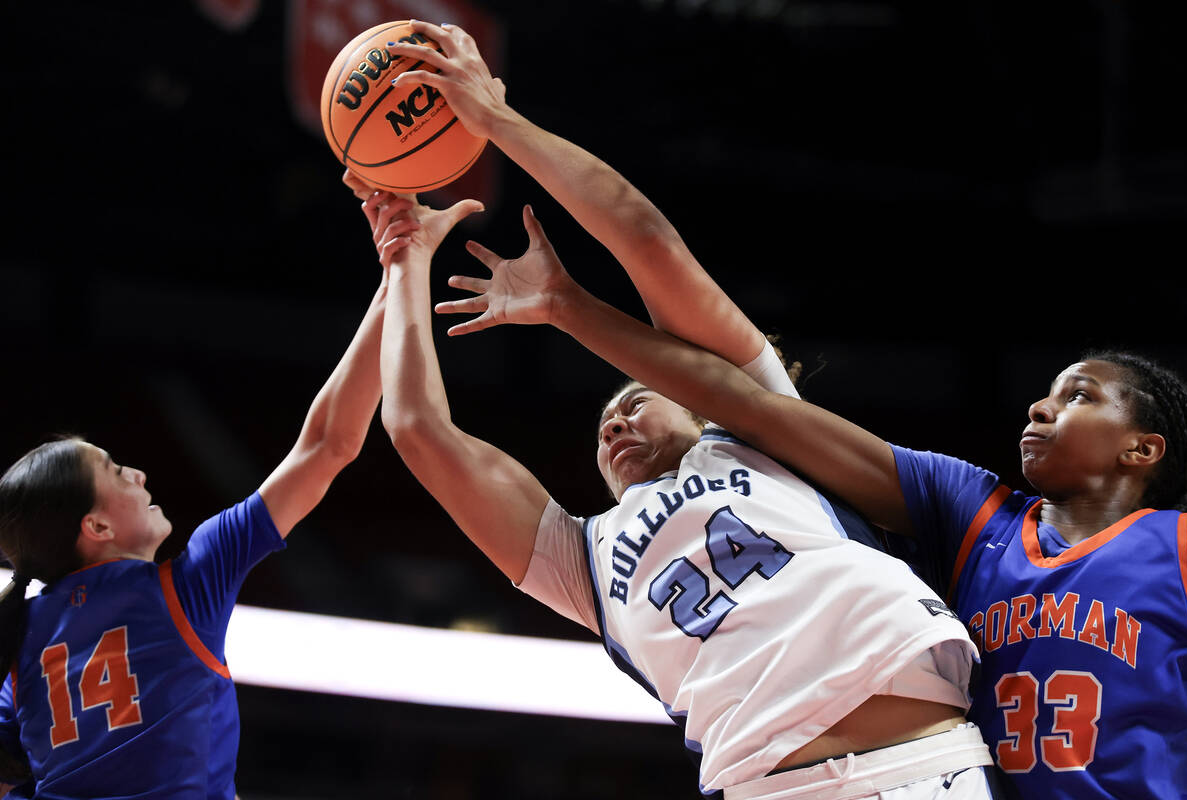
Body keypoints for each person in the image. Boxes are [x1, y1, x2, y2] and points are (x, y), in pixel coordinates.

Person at [368, 23, 1006, 799]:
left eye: (634, 397)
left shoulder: (760, 427)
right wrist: (403, 264)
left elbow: (647, 241)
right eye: (604, 425)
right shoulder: (584, 563)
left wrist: (498, 121)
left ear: (698, 398)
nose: (613, 423)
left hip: (916, 764)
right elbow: (419, 431)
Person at [434, 197, 1187, 799]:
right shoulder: (978, 518)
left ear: (1143, 448)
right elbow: (741, 398)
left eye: (1078, 397)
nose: (1039, 408)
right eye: (1046, 393)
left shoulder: (1182, 548)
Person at [0, 178, 410, 799]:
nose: (137, 474)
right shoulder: (187, 583)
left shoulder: (19, 640)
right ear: (97, 528)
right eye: (114, 471)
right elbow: (329, 444)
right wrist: (399, 273)